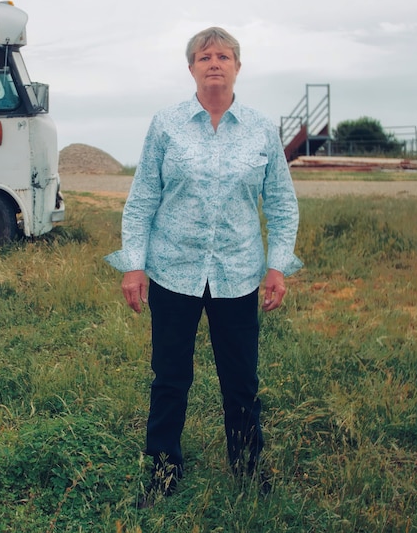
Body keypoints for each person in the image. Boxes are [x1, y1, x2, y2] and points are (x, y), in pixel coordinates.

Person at [104, 27, 302, 505]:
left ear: (238, 66)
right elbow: (142, 199)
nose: (215, 63)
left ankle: (248, 469)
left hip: (237, 274)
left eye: (224, 56)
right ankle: (163, 471)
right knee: (170, 376)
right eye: (204, 56)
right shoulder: (167, 124)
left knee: (242, 380)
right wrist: (134, 266)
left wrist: (277, 267)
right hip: (173, 269)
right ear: (191, 67)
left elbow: (281, 203)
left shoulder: (260, 129)